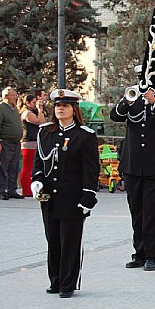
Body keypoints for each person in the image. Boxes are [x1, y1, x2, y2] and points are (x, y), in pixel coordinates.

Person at [31, 89, 99, 298]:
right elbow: (39, 162)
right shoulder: (45, 132)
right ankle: (56, 280)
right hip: (50, 197)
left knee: (69, 241)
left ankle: (68, 283)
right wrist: (37, 180)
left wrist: (88, 197)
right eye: (58, 105)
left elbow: (90, 170)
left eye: (65, 106)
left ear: (74, 109)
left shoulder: (84, 135)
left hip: (72, 197)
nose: (60, 109)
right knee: (53, 240)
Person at [110, 66, 155, 271]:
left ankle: (152, 255)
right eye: (140, 77)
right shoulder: (132, 98)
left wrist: (153, 101)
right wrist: (127, 101)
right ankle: (138, 253)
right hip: (132, 165)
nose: (143, 81)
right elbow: (115, 116)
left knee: (152, 212)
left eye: (147, 77)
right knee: (136, 211)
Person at [0, 87, 24, 200]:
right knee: (2, 167)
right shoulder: (0, 108)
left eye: (15, 95)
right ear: (6, 96)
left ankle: (12, 190)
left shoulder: (14, 108)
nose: (15, 97)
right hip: (5, 142)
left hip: (15, 143)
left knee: (14, 167)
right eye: (13, 95)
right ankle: (1, 191)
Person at [20, 93, 47, 197]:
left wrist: (40, 111)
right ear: (27, 103)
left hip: (35, 141)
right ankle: (26, 190)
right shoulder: (26, 113)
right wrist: (40, 109)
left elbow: (43, 122)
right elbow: (39, 122)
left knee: (34, 165)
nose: (36, 104)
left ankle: (32, 188)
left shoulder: (34, 112)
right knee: (28, 166)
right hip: (29, 142)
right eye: (34, 102)